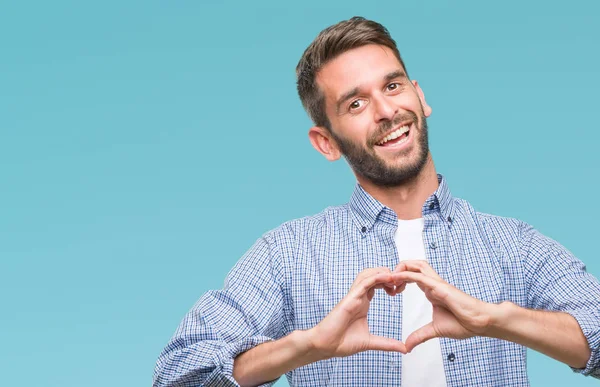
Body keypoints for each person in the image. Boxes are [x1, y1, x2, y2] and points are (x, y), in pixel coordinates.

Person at [153, 17, 600, 387]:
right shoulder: (287, 254)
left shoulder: (512, 245)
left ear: (419, 96)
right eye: (355, 104)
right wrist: (305, 346)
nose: (386, 111)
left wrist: (496, 320)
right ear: (325, 142)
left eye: (392, 86)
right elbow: (178, 375)